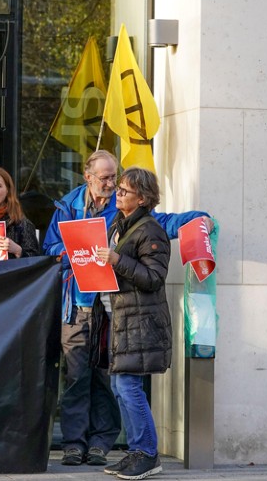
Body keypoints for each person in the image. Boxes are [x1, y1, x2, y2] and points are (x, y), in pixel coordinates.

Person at [42, 149, 210, 467]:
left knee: (110, 378)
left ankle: (102, 443)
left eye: (115, 178)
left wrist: (199, 218)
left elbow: (163, 223)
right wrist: (74, 250)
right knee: (77, 376)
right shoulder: (67, 206)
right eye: (105, 177)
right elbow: (49, 247)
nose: (111, 184)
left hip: (113, 309)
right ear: (88, 176)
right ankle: (74, 443)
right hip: (76, 303)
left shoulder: (124, 214)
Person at [91, 167, 171, 480]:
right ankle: (137, 451)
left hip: (140, 320)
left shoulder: (150, 230)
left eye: (124, 190)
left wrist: (116, 260)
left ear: (143, 197)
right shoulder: (121, 224)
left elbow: (154, 278)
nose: (118, 194)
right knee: (120, 385)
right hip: (122, 317)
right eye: (119, 189)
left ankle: (148, 454)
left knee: (128, 385)